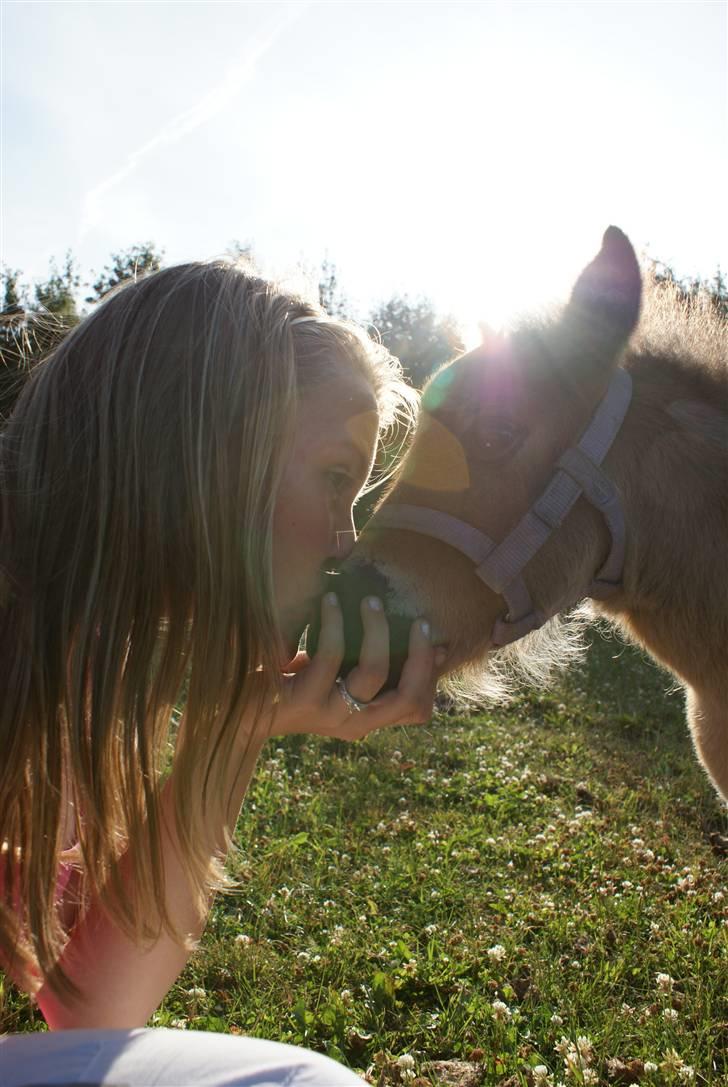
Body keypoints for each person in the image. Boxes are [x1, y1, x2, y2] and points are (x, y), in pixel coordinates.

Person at [0, 261, 444, 1085]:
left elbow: (92, 1005)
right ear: (204, 451)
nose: (347, 541)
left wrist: (242, 721)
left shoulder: (82, 661)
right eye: (335, 477)